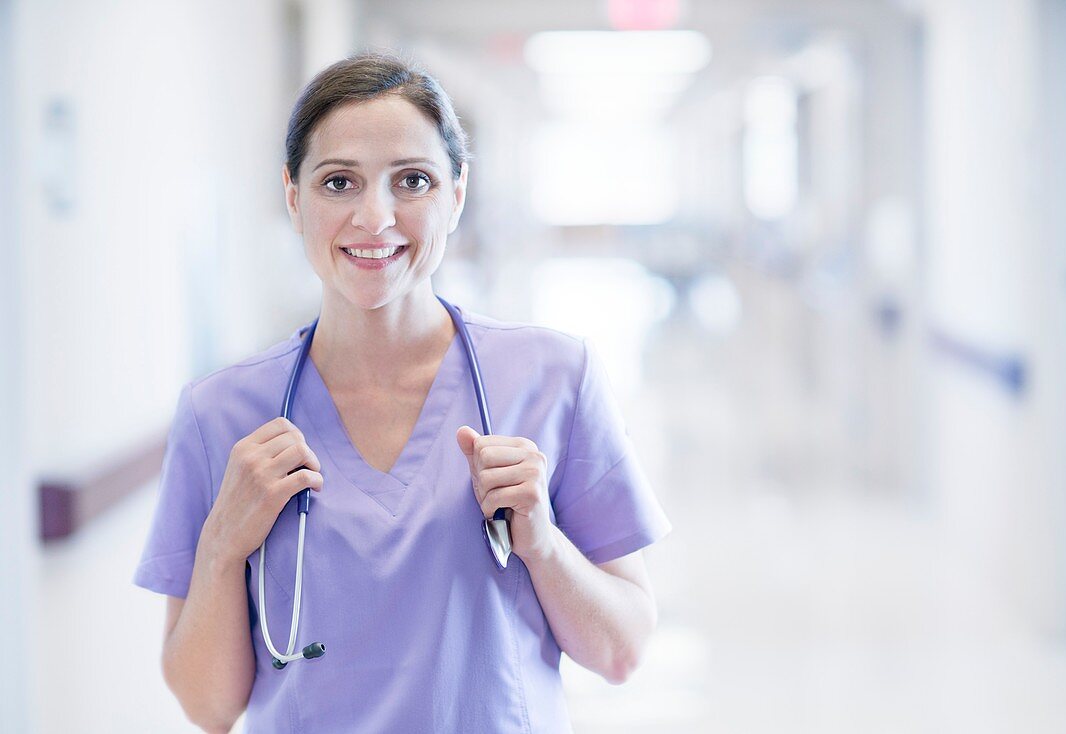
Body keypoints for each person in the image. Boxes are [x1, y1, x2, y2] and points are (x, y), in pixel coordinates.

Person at [133, 50, 672, 733]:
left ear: (456, 194)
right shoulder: (221, 415)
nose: (375, 217)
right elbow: (209, 708)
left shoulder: (553, 377)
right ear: (294, 198)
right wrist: (221, 548)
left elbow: (622, 652)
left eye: (411, 180)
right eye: (339, 183)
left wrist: (544, 544)